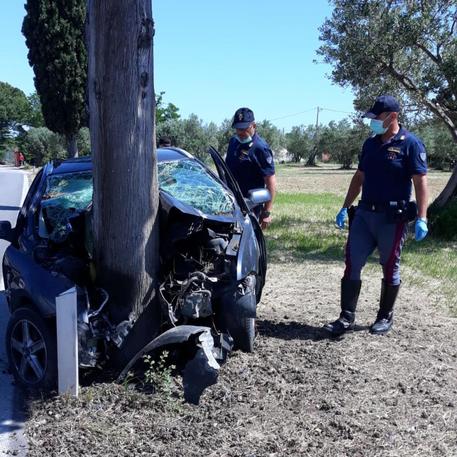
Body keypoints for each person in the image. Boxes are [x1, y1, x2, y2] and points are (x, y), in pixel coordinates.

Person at [324, 95, 429, 336]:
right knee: (352, 262)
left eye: (377, 117)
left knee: (389, 266)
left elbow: (421, 182)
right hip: (364, 215)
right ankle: (346, 316)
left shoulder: (410, 144)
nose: (373, 122)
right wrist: (344, 206)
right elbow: (359, 177)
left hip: (392, 219)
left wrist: (422, 217)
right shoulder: (370, 144)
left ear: (393, 117)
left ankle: (384, 316)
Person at [225, 107, 276, 229]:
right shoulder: (233, 142)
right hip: (230, 203)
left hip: (250, 206)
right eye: (237, 128)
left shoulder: (260, 148)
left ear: (254, 125)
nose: (240, 132)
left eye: (244, 128)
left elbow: (270, 182)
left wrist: (266, 212)